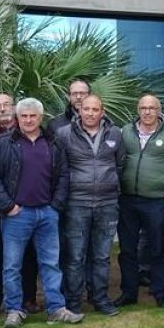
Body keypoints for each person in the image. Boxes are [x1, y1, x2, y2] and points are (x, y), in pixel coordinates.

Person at [0, 98, 83, 328]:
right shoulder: (3, 143)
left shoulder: (54, 143)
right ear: (17, 118)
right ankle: (14, 310)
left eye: (33, 116)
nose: (28, 120)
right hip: (17, 215)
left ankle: (56, 308)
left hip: (47, 214)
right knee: (11, 265)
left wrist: (55, 205)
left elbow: (64, 176)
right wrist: (8, 206)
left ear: (41, 118)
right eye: (24, 116)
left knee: (51, 264)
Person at [116, 94, 164, 310]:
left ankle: (160, 293)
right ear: (138, 110)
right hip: (128, 199)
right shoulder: (125, 132)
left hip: (157, 201)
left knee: (157, 248)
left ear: (159, 111)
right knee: (127, 249)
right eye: (143, 108)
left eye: (152, 108)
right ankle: (128, 292)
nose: (147, 112)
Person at [54, 94, 125, 315]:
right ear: (79, 110)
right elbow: (59, 168)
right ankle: (73, 301)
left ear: (102, 112)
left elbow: (120, 163)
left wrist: (109, 183)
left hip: (107, 203)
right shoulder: (64, 134)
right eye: (87, 109)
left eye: (95, 110)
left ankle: (100, 298)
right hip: (77, 203)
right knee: (75, 255)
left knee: (102, 255)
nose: (91, 113)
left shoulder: (115, 133)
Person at [0, 92, 39, 320]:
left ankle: (27, 298)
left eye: (6, 105)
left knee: (27, 255)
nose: (2, 109)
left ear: (14, 108)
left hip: (24, 207)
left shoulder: (30, 134)